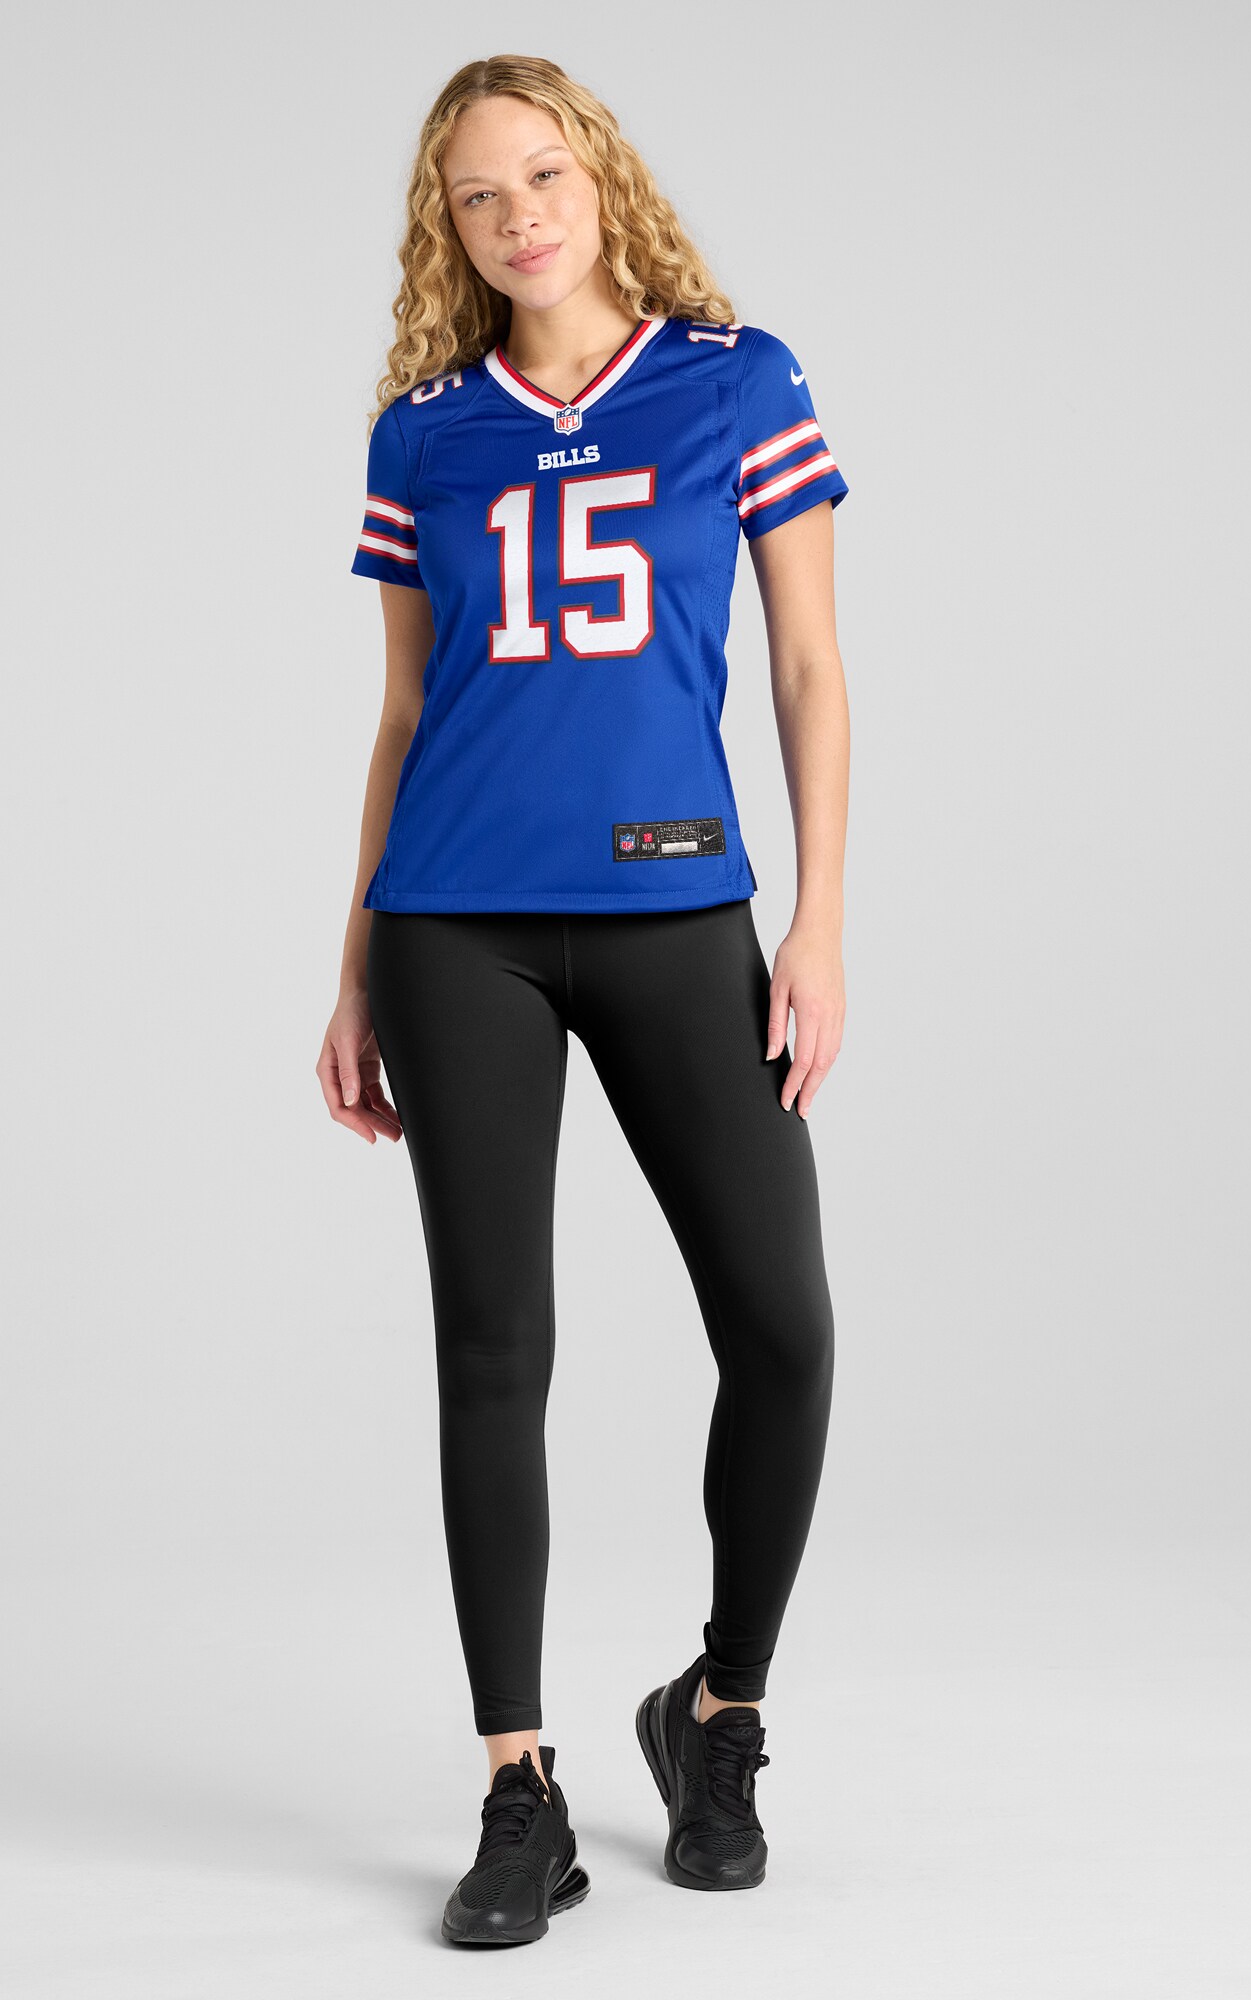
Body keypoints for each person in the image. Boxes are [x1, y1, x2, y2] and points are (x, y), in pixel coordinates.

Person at [315, 52, 851, 1947]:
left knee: (781, 1328)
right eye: (478, 195)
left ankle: (717, 1714)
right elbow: (404, 709)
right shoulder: (423, 433)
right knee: (494, 1351)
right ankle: (517, 1789)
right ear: (445, 228)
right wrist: (354, 960)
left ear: (600, 175)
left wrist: (820, 919)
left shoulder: (737, 381)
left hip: (675, 909)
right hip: (453, 926)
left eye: (541, 175)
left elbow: (807, 666)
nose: (517, 215)